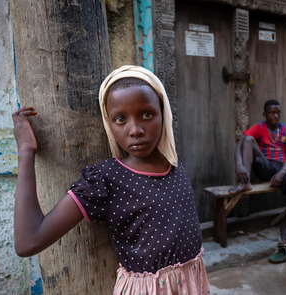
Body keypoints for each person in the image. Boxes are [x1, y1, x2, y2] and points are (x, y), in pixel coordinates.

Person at [12, 65, 210, 294]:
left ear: (163, 114)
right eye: (120, 119)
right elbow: (28, 241)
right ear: (109, 123)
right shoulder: (106, 179)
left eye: (146, 114)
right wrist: (26, 152)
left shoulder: (175, 165)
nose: (135, 130)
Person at [229, 99, 286, 247]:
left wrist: (283, 172)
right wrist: (239, 164)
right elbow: (241, 144)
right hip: (264, 166)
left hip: (283, 168)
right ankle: (245, 182)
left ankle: (285, 226)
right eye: (271, 113)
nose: (275, 116)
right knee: (249, 139)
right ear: (265, 114)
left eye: (278, 113)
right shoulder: (259, 128)